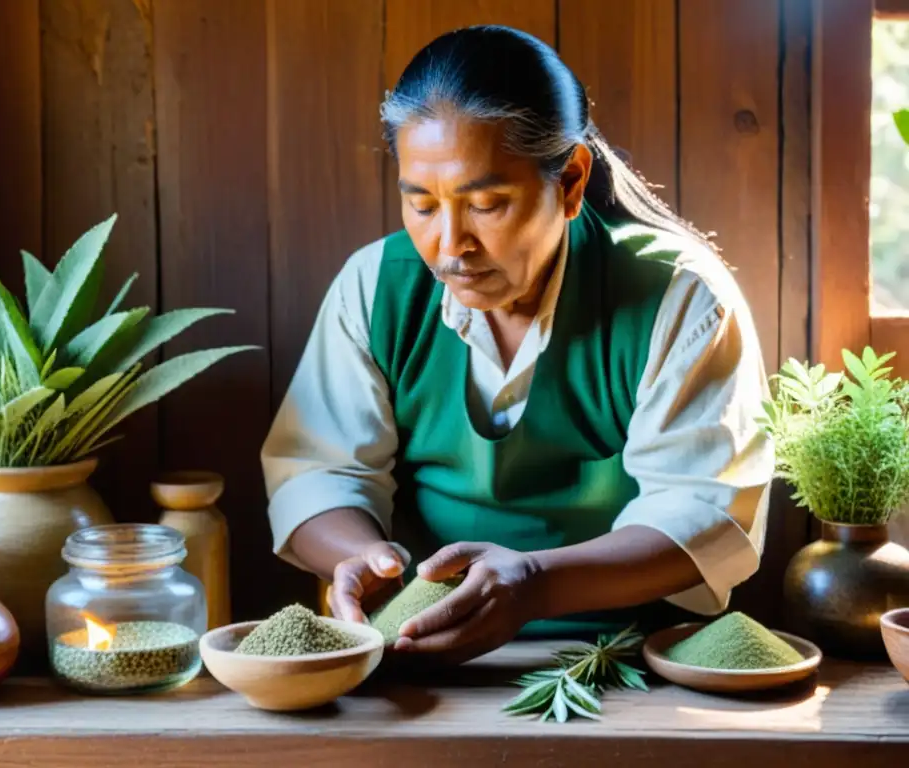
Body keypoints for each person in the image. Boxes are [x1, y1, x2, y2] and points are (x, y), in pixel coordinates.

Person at [261, 25, 773, 664]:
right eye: (421, 204)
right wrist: (362, 558)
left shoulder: (677, 297)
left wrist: (534, 584)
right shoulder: (375, 287)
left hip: (627, 662)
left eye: (488, 204)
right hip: (420, 656)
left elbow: (703, 512)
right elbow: (319, 472)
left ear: (572, 181)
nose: (451, 245)